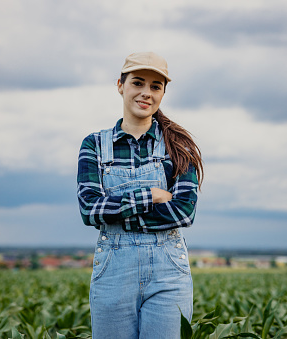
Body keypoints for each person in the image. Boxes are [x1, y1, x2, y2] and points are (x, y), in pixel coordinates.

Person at [77, 51, 203, 339]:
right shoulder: (94, 144)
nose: (146, 93)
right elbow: (89, 210)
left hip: (168, 273)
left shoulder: (179, 146)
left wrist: (120, 215)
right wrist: (152, 196)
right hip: (113, 272)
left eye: (155, 87)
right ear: (120, 85)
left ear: (162, 93)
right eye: (138, 83)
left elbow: (183, 211)